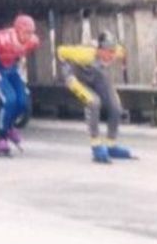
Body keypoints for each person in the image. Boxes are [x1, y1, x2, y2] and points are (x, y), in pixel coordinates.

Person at [57, 33, 135, 163]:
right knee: (94, 102)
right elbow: (60, 51)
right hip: (77, 78)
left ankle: (111, 145)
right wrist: (67, 73)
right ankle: (96, 145)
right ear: (99, 49)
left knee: (116, 107)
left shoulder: (116, 52)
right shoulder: (85, 54)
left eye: (113, 52)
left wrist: (123, 57)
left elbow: (123, 52)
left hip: (96, 76)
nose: (111, 55)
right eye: (108, 52)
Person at [0, 14, 40, 157]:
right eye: (26, 32)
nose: (29, 36)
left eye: (31, 32)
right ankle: (1, 138)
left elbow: (21, 55)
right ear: (17, 30)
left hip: (10, 67)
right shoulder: (2, 38)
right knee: (10, 99)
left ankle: (9, 127)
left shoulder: (33, 41)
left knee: (23, 102)